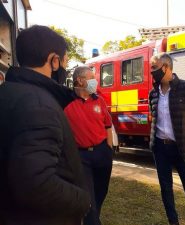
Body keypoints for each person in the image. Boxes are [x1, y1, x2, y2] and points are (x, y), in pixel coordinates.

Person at [0, 25, 90, 225]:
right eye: (65, 60)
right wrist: (83, 200)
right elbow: (35, 182)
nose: (65, 67)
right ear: (53, 60)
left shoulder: (9, 92)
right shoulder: (39, 105)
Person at [149, 53, 185, 225]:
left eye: (154, 67)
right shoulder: (153, 93)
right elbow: (154, 120)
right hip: (161, 148)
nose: (152, 71)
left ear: (165, 67)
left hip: (183, 149)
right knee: (166, 190)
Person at [64, 66, 113, 225]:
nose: (95, 81)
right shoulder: (67, 103)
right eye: (91, 77)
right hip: (81, 157)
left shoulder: (99, 100)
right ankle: (92, 220)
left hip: (102, 153)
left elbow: (107, 125)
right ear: (80, 80)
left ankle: (92, 218)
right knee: (88, 197)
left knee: (101, 192)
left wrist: (109, 149)